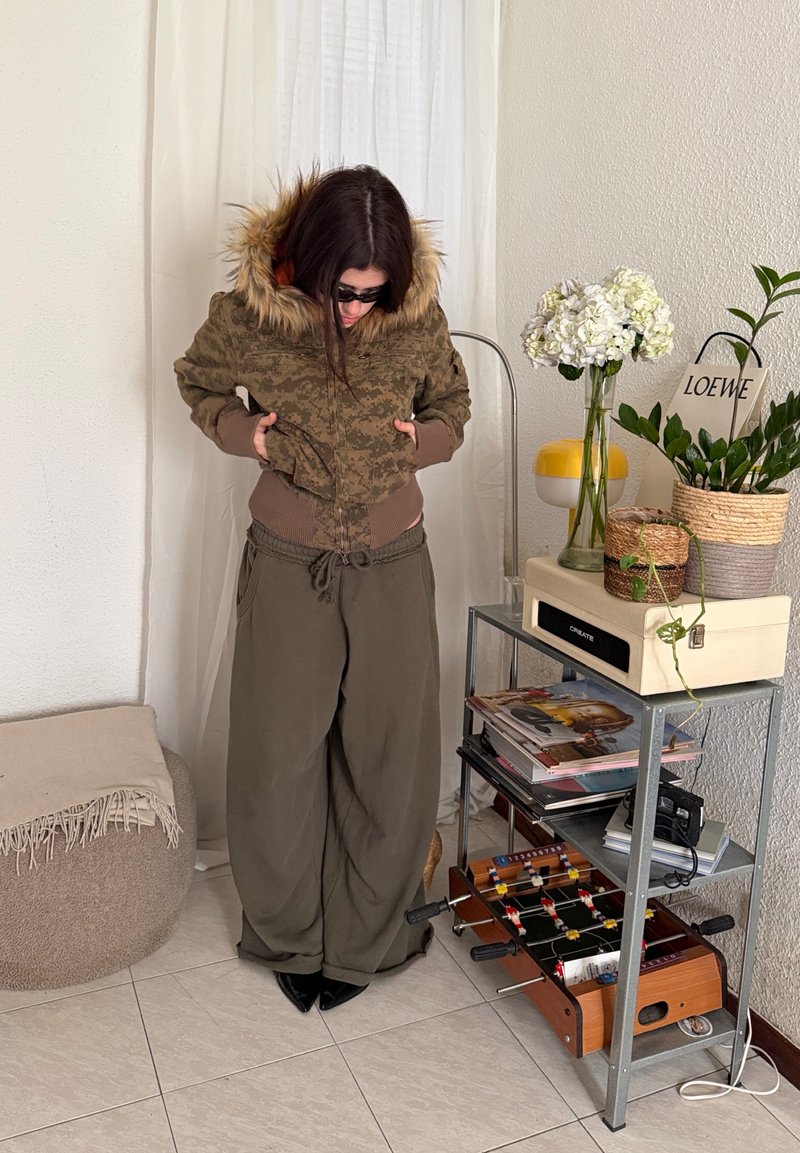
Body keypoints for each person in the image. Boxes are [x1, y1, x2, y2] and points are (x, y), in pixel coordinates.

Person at [175, 165, 470, 1013]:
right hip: (286, 563)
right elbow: (196, 381)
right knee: (277, 759)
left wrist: (425, 442)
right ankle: (288, 935)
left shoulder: (414, 320)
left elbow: (455, 402)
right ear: (305, 262)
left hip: (393, 565)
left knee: (389, 761)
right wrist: (245, 432)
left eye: (372, 295)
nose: (353, 310)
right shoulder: (246, 318)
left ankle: (370, 939)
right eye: (342, 290)